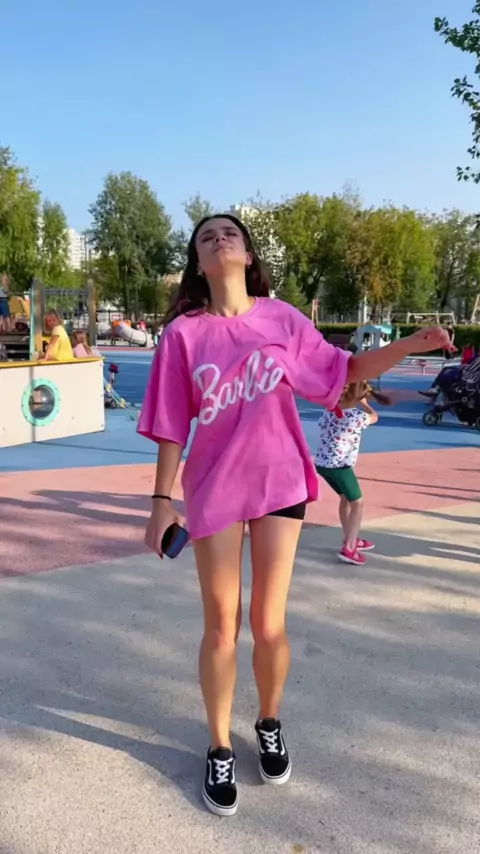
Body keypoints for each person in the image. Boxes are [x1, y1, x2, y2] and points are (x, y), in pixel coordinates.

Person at [137, 214, 454, 817]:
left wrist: (409, 345)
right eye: (207, 237)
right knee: (221, 625)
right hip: (214, 488)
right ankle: (218, 747)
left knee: (269, 622)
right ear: (198, 262)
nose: (220, 239)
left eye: (230, 233)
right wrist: (160, 502)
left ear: (249, 254)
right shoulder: (183, 334)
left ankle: (269, 722)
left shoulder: (282, 319)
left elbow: (343, 371)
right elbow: (171, 424)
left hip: (280, 480)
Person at [315, 381, 391, 565]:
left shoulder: (329, 411)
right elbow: (374, 417)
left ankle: (350, 536)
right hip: (340, 467)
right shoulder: (357, 416)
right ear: (358, 397)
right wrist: (364, 404)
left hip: (323, 464)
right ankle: (349, 547)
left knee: (345, 498)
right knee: (358, 503)